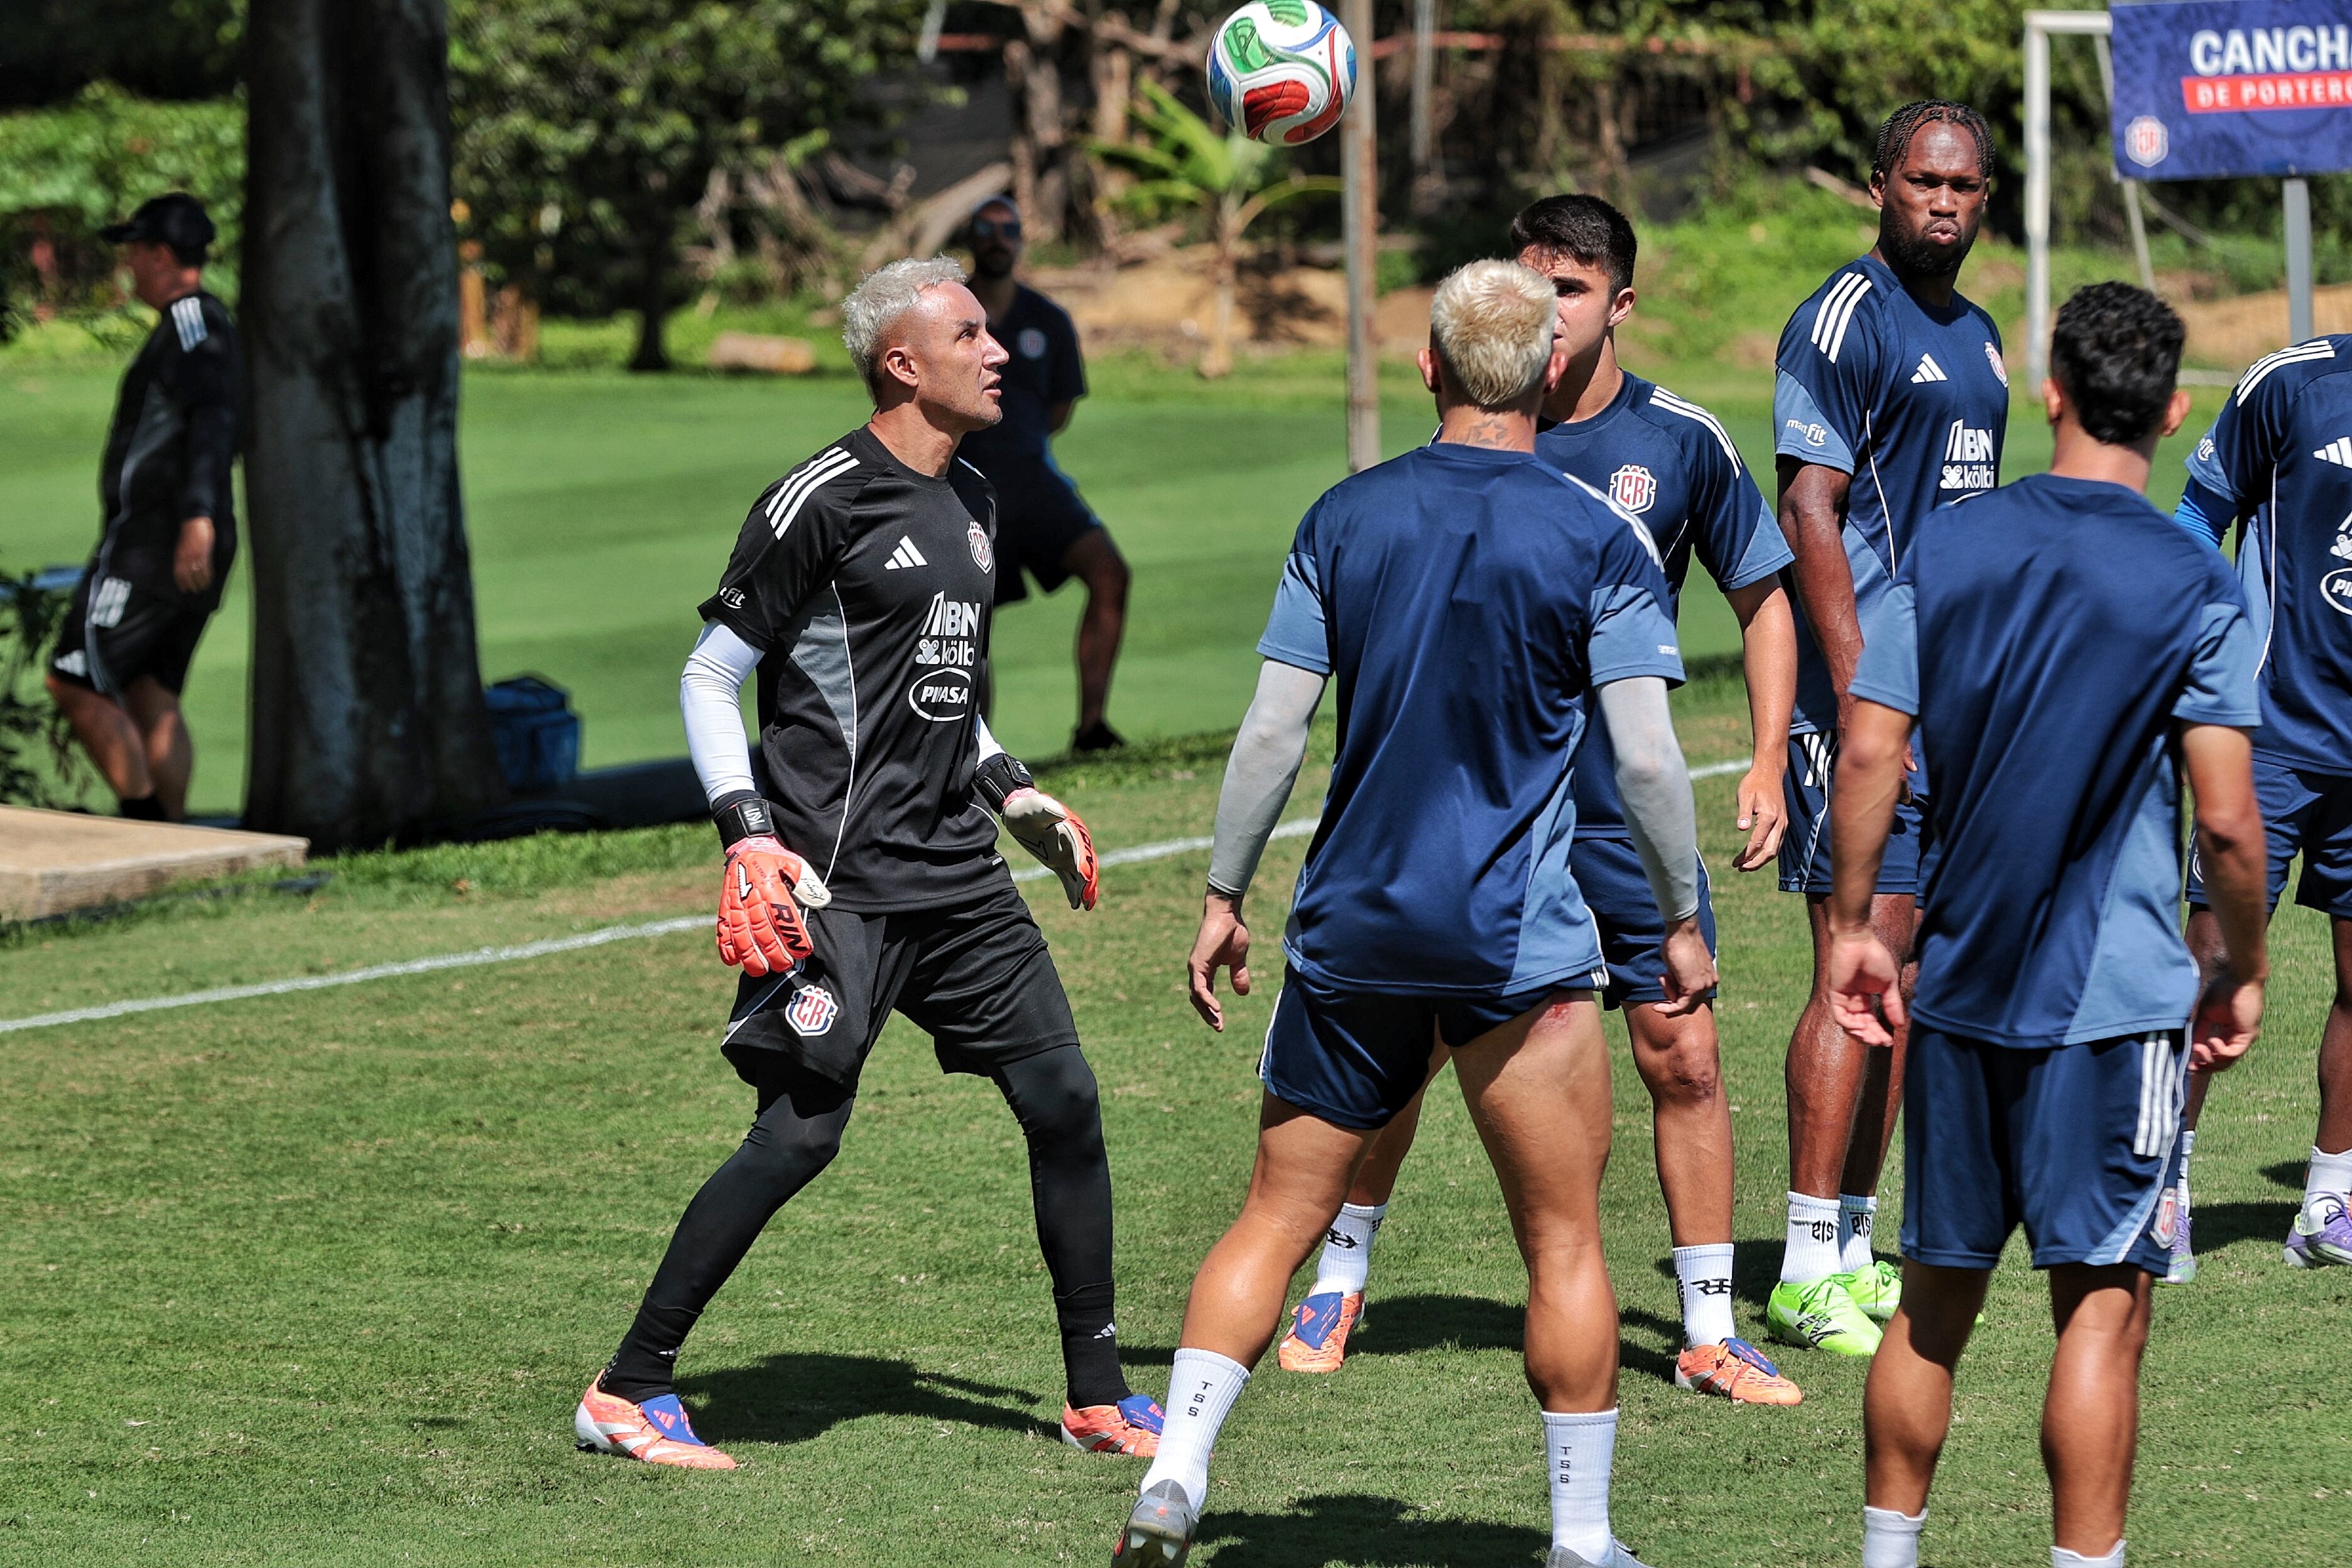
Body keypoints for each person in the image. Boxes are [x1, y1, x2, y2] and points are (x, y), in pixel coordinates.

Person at [1113, 259, 1711, 1568]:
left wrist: (1222, 895)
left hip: (1351, 937)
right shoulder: (1599, 537)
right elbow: (1654, 764)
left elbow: (1274, 731)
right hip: (1521, 950)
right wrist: (1679, 917)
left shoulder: (1345, 517)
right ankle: (1583, 1535)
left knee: (1274, 1218)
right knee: (1561, 1241)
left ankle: (1174, 1478)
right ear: (1551, 373)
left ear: (1431, 371)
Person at [573, 257, 1163, 1471]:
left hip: (956, 877)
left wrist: (1012, 794)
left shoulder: (980, 503)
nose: (999, 351)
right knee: (797, 1138)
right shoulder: (823, 499)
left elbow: (947, 699)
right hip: (836, 883)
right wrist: (747, 831)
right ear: (903, 362)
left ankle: (1096, 1392)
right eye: (969, 334)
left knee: (1065, 1102)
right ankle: (626, 1389)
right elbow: (710, 674)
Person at [1270, 195, 1804, 1407]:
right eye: (1526, 282)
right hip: (1468, 821)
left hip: (1616, 821)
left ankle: (1707, 1328)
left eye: (1568, 288)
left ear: (1616, 304)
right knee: (1393, 1060)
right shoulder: (1459, 437)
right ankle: (1338, 1277)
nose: (1542, 309)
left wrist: (1767, 754)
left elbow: (1761, 594)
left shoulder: (1677, 442)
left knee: (1682, 1048)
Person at [1826, 282, 2267, 1568]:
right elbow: (2231, 825)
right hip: (2112, 1006)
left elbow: (1868, 753)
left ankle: (1887, 1554)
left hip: (1958, 989)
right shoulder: (2194, 576)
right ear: (2178, 411)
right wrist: (2235, 963)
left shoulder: (1950, 547)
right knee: (2101, 1312)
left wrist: (1860, 926)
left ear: (2051, 390)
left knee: (1931, 1307)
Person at [1766, 100, 2006, 1356]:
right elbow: (1812, 510)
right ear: (1880, 184)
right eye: (1924, 181)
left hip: (1949, 710)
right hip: (1858, 714)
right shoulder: (1843, 316)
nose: (1944, 204)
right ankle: (1805, 1261)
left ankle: (1855, 1241)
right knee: (1849, 959)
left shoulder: (1983, 339)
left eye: (1964, 187)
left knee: (1903, 977)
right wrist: (1871, 703)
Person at [2161, 334, 2352, 1282]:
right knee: (2211, 963)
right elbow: (2200, 516)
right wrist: (2202, 658)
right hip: (2269, 733)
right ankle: (2167, 1192)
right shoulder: (2291, 383)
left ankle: (2330, 1197)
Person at [45, 192, 239, 824]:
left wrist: (197, 519)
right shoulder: (196, 324)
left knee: (73, 680)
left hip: (155, 543)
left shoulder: (192, 327)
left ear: (161, 255)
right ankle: (174, 840)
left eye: (133, 250)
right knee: (151, 693)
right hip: (174, 538)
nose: (126, 264)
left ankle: (146, 824)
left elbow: (214, 420)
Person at [960, 195, 1132, 752]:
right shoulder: (948, 316)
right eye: (987, 229)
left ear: (1021, 241)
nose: (998, 239)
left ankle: (1092, 728)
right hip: (964, 488)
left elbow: (1060, 409)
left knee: (1110, 573)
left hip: (1034, 481)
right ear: (972, 237)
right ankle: (969, 753)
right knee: (965, 624)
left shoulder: (1047, 320)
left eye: (1010, 229)